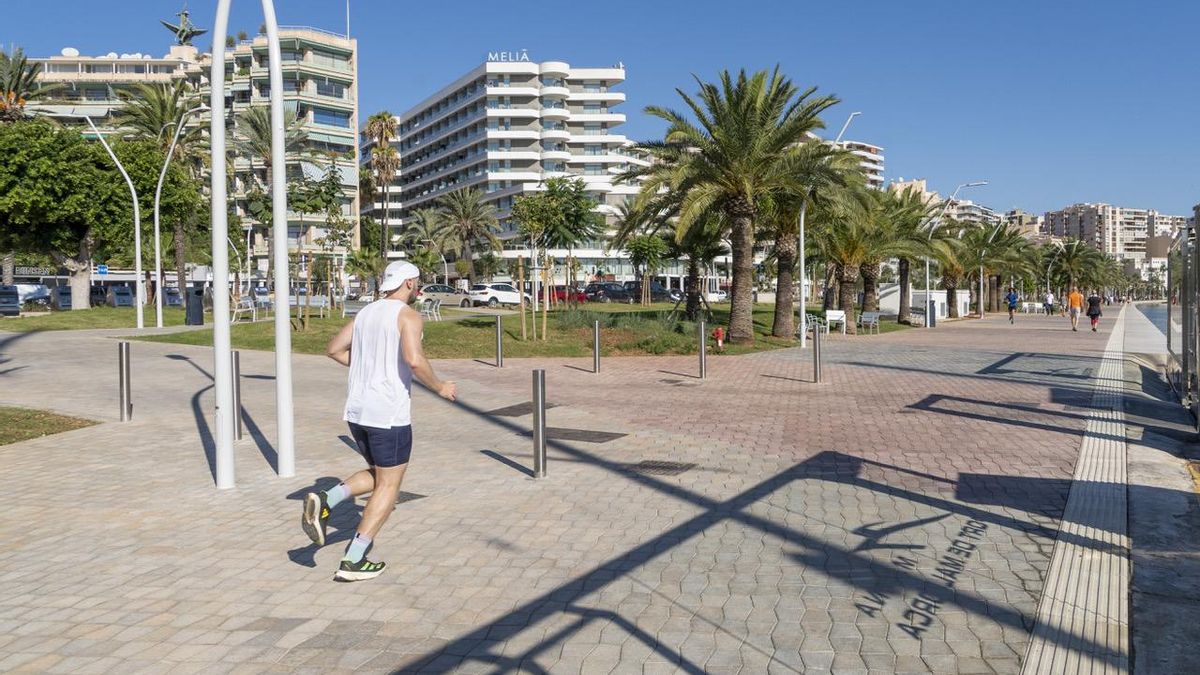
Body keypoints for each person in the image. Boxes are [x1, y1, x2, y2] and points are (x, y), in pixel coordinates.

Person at [301, 261, 457, 582]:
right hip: (388, 415)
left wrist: (367, 372)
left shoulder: (365, 313)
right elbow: (414, 360)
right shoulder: (408, 316)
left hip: (357, 412)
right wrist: (440, 386)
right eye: (418, 282)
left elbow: (333, 350)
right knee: (390, 485)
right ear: (410, 283)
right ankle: (354, 559)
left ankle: (326, 501)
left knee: (379, 474)